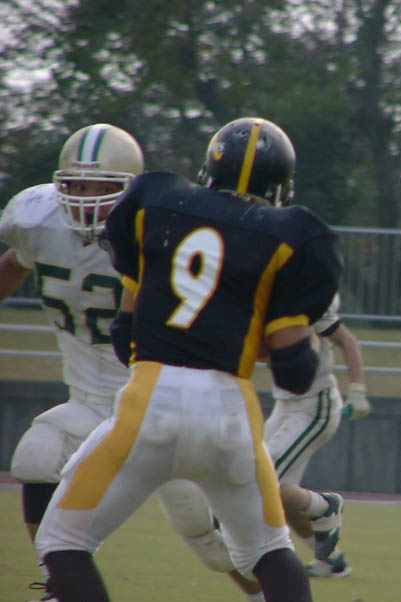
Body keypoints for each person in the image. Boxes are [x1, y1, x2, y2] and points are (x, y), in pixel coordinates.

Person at [33, 116, 341, 602]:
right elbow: (295, 372)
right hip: (231, 416)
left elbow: (125, 335)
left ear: (207, 171)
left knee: (63, 542)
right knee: (269, 551)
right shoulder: (290, 236)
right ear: (280, 186)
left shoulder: (155, 204)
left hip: (149, 405)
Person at [1, 123, 268, 602]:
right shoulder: (36, 220)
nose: (86, 200)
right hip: (91, 401)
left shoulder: (160, 230)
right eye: (76, 186)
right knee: (37, 456)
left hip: (158, 403)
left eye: (100, 188)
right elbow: (16, 262)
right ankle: (62, 587)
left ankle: (266, 585)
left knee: (211, 543)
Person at [265, 291, 372, 579]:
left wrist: (358, 389)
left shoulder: (305, 296)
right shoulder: (261, 293)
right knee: (281, 494)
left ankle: (326, 507)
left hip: (314, 407)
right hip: (286, 405)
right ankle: (330, 560)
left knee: (261, 481)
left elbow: (347, 341)